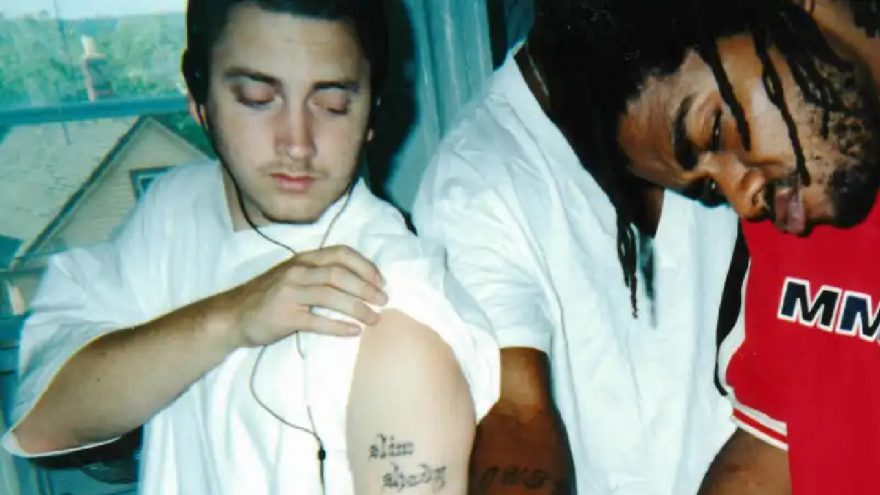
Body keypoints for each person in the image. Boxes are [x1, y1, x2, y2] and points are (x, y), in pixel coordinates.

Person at [1, 1, 500, 494]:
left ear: (372, 114)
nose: (297, 143)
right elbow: (43, 425)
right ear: (199, 101)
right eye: (258, 98)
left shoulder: (397, 323)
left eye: (332, 105)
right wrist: (229, 319)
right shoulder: (175, 208)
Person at [528, 0, 880, 493]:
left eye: (713, 130)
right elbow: (773, 448)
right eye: (709, 189)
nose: (743, 200)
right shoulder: (791, 220)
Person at [413, 1, 744, 493]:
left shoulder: (718, 62)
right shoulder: (474, 185)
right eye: (704, 141)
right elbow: (516, 414)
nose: (740, 186)